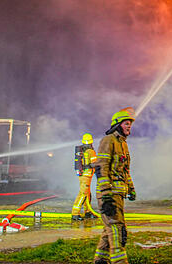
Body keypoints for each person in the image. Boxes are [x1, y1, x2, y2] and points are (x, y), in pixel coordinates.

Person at [93, 108, 136, 264]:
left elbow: (125, 170)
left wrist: (131, 188)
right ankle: (120, 261)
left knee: (110, 228)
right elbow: (101, 167)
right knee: (117, 229)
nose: (129, 126)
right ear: (118, 125)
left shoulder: (123, 144)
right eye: (126, 123)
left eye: (130, 124)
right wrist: (106, 194)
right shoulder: (108, 140)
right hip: (109, 194)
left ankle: (100, 260)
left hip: (119, 194)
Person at [71, 133, 97, 221]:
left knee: (87, 194)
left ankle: (87, 212)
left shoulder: (82, 151)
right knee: (83, 194)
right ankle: (75, 213)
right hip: (87, 175)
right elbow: (94, 164)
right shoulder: (91, 151)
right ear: (91, 142)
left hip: (82, 175)